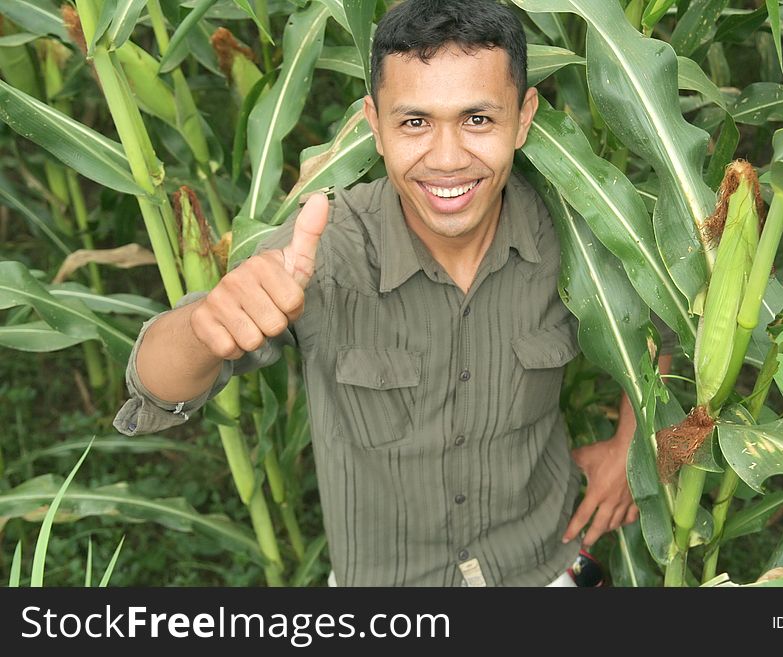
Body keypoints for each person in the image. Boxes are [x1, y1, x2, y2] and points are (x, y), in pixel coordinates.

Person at [115, 0, 668, 586]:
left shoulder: (575, 236)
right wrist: (205, 326)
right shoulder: (322, 251)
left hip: (545, 568)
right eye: (415, 122)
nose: (448, 159)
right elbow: (152, 387)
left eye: (478, 119)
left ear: (524, 117)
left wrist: (631, 450)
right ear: (373, 126)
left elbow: (653, 328)